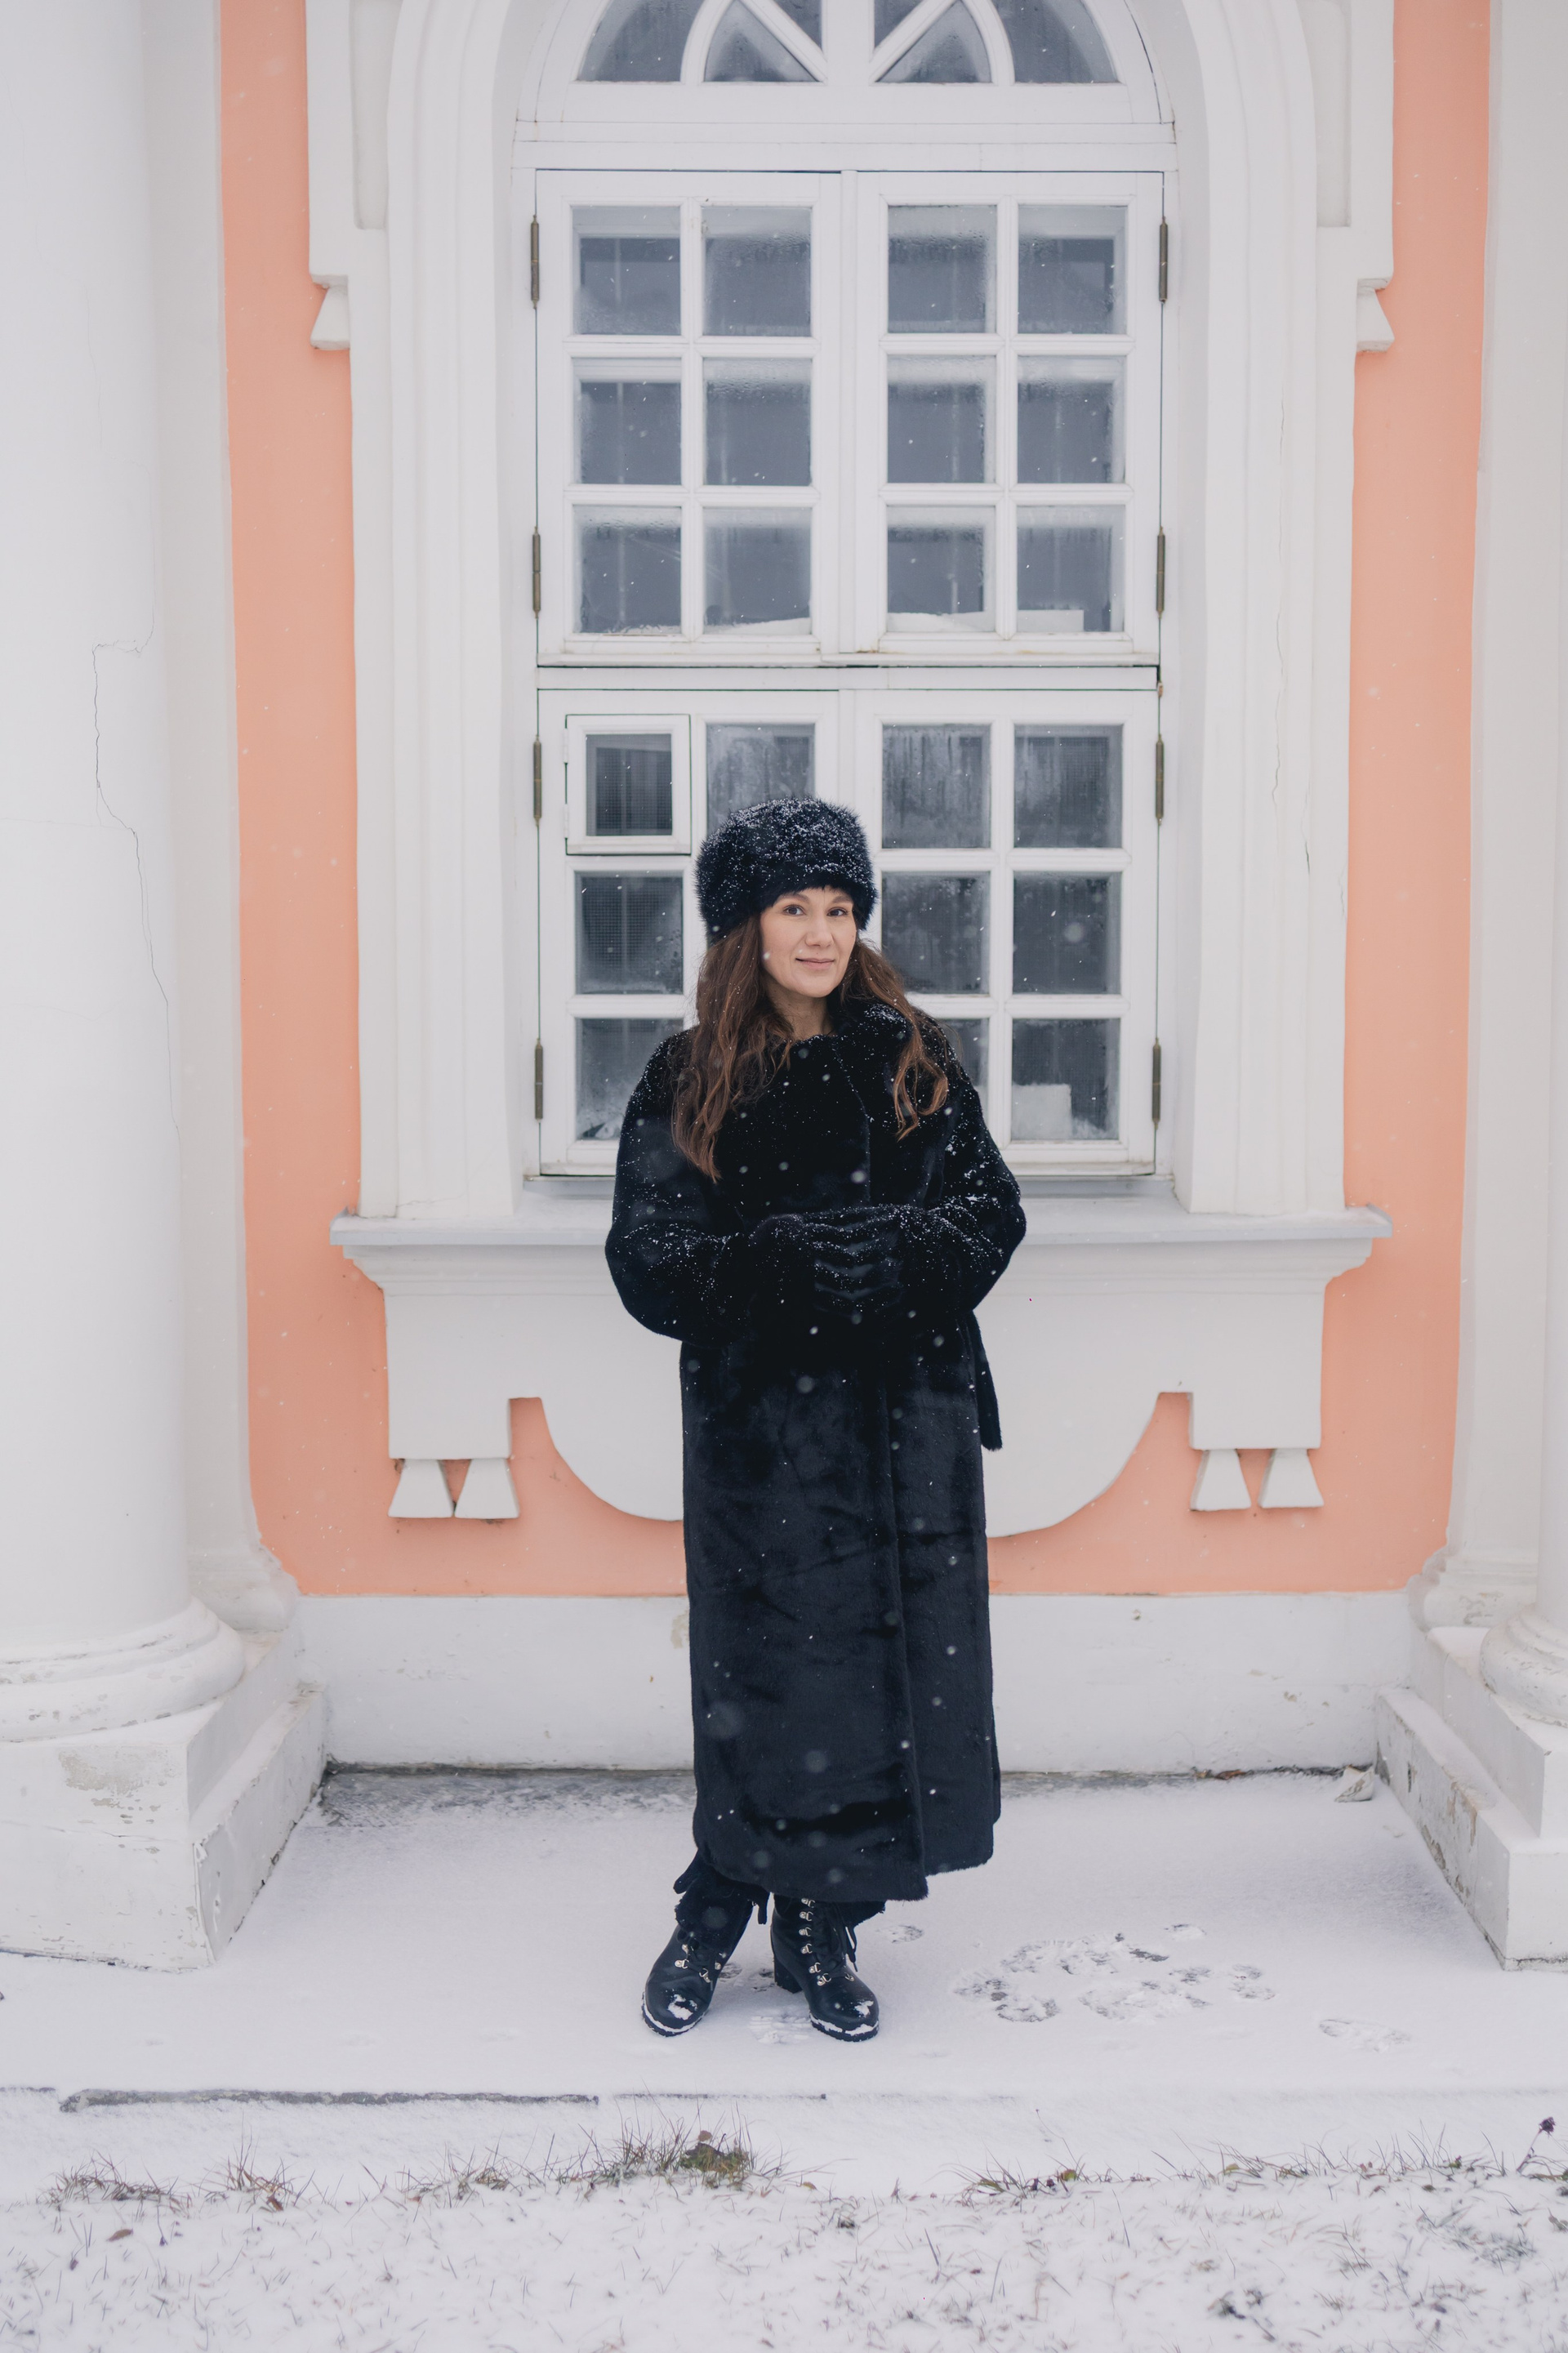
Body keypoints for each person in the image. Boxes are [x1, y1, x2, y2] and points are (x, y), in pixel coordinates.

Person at [606, 800, 1026, 2043]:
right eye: (796, 907)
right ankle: (714, 1909)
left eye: (841, 909)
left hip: (905, 1435)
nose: (823, 933)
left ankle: (824, 1920)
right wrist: (777, 1265)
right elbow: (647, 1256)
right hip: (766, 1444)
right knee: (766, 1682)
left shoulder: (910, 1053)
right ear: (747, 925)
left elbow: (990, 1212)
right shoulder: (688, 1074)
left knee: (881, 1691)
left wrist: (894, 1256)